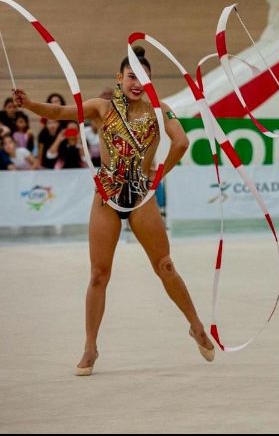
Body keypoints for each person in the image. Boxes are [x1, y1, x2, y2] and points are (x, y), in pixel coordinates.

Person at [12, 45, 215, 375]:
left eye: (144, 77)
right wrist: (30, 104)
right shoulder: (100, 108)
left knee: (165, 265)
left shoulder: (160, 110)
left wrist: (156, 176)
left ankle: (195, 325)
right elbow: (62, 112)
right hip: (107, 194)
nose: (138, 82)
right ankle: (90, 348)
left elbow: (182, 143)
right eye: (132, 75)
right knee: (98, 274)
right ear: (119, 77)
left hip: (140, 197)